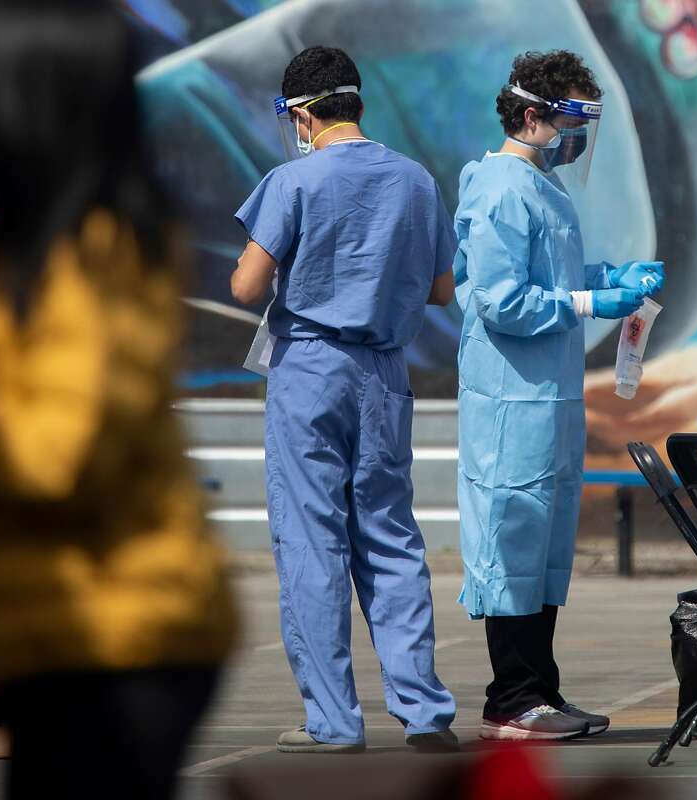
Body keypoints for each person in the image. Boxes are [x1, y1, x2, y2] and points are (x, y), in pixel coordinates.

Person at [0, 2, 237, 798]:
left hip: (119, 638)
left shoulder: (95, 254)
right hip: (57, 638)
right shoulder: (30, 247)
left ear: (23, 87)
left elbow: (51, 454)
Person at [230, 46, 459, 754]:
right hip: (384, 373)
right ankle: (423, 712)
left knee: (311, 543)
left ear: (302, 115)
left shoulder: (293, 180)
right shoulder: (417, 181)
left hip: (311, 371)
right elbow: (443, 290)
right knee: (390, 536)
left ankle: (333, 720)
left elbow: (245, 286)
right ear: (357, 103)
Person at [452, 50, 665, 741]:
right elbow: (500, 298)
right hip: (510, 402)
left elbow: (556, 272)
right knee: (510, 543)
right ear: (533, 113)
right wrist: (588, 298)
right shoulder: (500, 188)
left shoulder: (544, 186)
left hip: (550, 401)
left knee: (542, 551)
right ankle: (511, 699)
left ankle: (540, 690)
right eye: (572, 120)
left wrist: (611, 277)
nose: (578, 139)